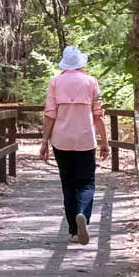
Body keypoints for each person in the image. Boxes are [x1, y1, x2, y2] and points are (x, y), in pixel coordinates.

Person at [38, 45, 109, 244]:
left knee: (68, 184)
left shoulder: (55, 82)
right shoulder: (91, 82)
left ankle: (74, 231)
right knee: (86, 182)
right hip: (86, 140)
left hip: (61, 141)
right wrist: (105, 141)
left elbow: (50, 115)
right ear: (81, 63)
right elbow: (98, 115)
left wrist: (44, 141)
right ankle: (83, 216)